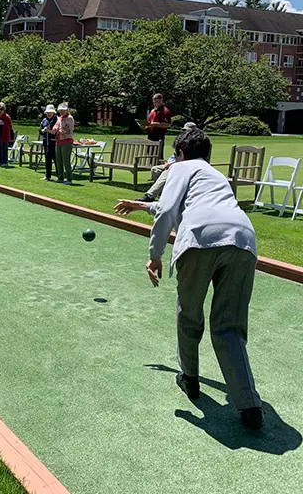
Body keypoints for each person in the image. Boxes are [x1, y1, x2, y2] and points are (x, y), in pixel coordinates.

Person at [114, 129, 263, 431]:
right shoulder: (214, 175)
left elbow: (170, 210)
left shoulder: (179, 167)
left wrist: (154, 254)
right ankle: (250, 407)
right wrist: (141, 205)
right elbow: (191, 206)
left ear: (179, 153)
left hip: (199, 241)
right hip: (243, 241)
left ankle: (190, 379)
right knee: (229, 326)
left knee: (189, 315)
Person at [136, 122, 198, 203]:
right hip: (175, 163)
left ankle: (150, 195)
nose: (185, 132)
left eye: (187, 130)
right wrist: (169, 162)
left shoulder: (196, 144)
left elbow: (189, 160)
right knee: (155, 169)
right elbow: (175, 155)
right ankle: (162, 193)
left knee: (166, 173)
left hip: (184, 166)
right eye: (184, 130)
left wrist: (171, 164)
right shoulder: (182, 141)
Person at [54, 103, 75, 184]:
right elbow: (55, 127)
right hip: (59, 140)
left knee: (66, 160)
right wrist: (54, 129)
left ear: (67, 110)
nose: (61, 112)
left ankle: (69, 179)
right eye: (60, 110)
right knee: (58, 160)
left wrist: (58, 130)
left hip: (67, 141)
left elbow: (67, 131)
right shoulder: (60, 118)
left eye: (63, 110)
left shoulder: (69, 118)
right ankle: (60, 178)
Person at [39, 104, 58, 181]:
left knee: (56, 160)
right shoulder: (44, 120)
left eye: (50, 112)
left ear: (53, 112)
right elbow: (40, 130)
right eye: (47, 113)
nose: (49, 114)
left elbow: (57, 131)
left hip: (54, 142)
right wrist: (43, 130)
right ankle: (47, 175)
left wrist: (49, 130)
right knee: (47, 160)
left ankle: (59, 176)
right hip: (46, 142)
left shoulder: (57, 120)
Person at [0, 102, 13, 168]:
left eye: (1, 109)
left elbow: (10, 126)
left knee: (4, 149)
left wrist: (3, 124)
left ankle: (5, 162)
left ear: (4, 109)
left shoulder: (7, 117)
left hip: (4, 135)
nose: (0, 111)